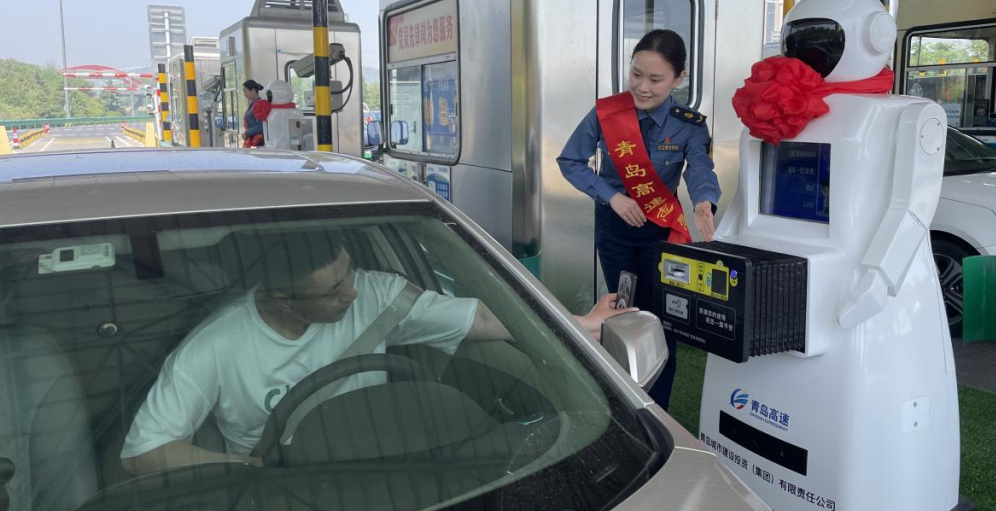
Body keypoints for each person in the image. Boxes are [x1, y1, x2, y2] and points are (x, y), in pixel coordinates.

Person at [120, 233, 633, 475]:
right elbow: (144, 452)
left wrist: (579, 325)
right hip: (285, 479)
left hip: (389, 463)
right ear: (281, 299)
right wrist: (246, 465)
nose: (351, 293)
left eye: (349, 273)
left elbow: (479, 319)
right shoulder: (215, 346)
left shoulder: (376, 292)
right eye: (332, 291)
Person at [557, 29, 721, 410]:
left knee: (664, 322)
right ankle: (622, 401)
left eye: (655, 79)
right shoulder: (608, 113)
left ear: (679, 78)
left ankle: (658, 410)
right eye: (636, 74)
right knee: (622, 314)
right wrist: (611, 196)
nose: (642, 87)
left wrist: (704, 202)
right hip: (615, 232)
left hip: (661, 236)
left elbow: (699, 168)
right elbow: (570, 161)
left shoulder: (689, 124)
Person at [241, 80, 266, 148]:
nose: (244, 94)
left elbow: (260, 126)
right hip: (254, 140)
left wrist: (246, 133)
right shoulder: (253, 103)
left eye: (245, 91)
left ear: (253, 90)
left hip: (259, 141)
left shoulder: (260, 104)